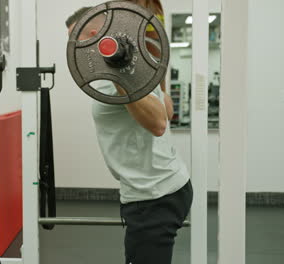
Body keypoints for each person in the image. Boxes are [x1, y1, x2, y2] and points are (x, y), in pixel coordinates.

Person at [66, 1, 193, 264]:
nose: (74, 50)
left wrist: (122, 77)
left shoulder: (124, 74)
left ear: (94, 36)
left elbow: (160, 122)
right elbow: (168, 109)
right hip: (149, 190)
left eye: (75, 39)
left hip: (154, 196)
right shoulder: (132, 72)